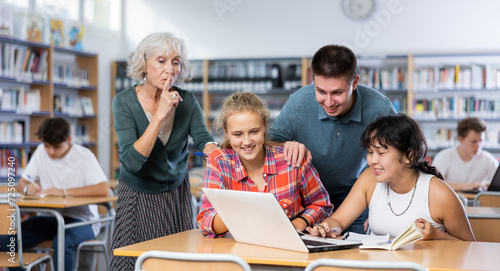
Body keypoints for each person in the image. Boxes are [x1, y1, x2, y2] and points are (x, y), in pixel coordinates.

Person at [110, 32, 218, 270]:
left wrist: (216, 153)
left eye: (176, 62)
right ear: (144, 64)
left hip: (175, 196)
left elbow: (203, 138)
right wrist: (159, 116)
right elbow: (131, 161)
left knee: (175, 263)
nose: (170, 69)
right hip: (137, 197)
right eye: (161, 60)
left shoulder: (187, 100)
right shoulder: (123, 102)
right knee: (131, 264)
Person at [268, 44, 397, 234]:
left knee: (349, 259)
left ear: (354, 83)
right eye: (321, 92)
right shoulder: (298, 102)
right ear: (313, 81)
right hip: (306, 200)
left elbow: (396, 159)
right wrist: (286, 145)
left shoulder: (380, 109)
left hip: (354, 199)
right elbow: (268, 145)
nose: (328, 103)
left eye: (337, 93)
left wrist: (383, 204)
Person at [307, 114, 475, 241]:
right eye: (370, 152)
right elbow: (338, 221)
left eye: (381, 153)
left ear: (409, 155)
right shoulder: (369, 179)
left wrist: (438, 237)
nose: (373, 161)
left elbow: (471, 248)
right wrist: (327, 229)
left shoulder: (439, 193)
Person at [197, 92, 333, 237]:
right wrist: (243, 209)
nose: (247, 141)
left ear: (265, 128)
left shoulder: (292, 161)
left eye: (254, 132)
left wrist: (297, 225)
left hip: (287, 250)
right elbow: (205, 221)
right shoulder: (219, 162)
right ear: (226, 133)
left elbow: (322, 204)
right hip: (238, 253)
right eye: (238, 134)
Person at [0, 117, 109, 271]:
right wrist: (27, 189)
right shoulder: (40, 152)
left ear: (69, 139)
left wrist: (63, 192)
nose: (51, 152)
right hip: (51, 218)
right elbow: (22, 184)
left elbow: (104, 189)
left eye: (57, 147)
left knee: (63, 240)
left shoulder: (84, 156)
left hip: (83, 220)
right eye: (47, 146)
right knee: (9, 241)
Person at [432, 117, 498, 192]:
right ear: (461, 139)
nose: (478, 146)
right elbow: (434, 184)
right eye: (473, 142)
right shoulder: (443, 157)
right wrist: (468, 186)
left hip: (476, 202)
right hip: (449, 201)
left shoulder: (488, 159)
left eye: (481, 141)